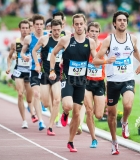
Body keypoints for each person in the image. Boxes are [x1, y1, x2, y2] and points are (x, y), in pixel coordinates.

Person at [93, 11, 140, 155]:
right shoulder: (108, 40)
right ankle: (114, 142)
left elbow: (135, 51)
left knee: (128, 104)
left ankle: (125, 122)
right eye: (119, 20)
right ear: (114, 23)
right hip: (112, 81)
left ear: (127, 23)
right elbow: (95, 60)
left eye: (124, 20)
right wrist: (106, 60)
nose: (122, 22)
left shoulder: (132, 38)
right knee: (111, 114)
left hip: (127, 79)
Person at [49, 13, 97, 152]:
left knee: (76, 114)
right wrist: (52, 70)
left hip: (81, 81)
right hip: (67, 79)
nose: (79, 26)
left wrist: (105, 61)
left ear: (85, 24)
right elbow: (53, 54)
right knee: (68, 105)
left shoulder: (90, 42)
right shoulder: (65, 40)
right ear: (73, 25)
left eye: (81, 24)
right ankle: (64, 113)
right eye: (76, 24)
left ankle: (70, 142)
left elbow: (96, 59)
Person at [77, 22, 106, 149]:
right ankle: (94, 139)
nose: (94, 33)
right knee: (89, 111)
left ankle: (87, 115)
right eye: (92, 31)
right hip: (86, 82)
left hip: (99, 82)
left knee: (98, 115)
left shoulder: (104, 47)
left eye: (96, 31)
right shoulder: (83, 46)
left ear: (99, 33)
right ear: (87, 32)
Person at [32, 19, 63, 136]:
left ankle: (50, 127)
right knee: (45, 103)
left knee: (56, 100)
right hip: (45, 74)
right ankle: (48, 112)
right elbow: (34, 51)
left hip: (57, 74)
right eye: (54, 30)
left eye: (58, 30)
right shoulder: (44, 39)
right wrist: (36, 64)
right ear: (50, 29)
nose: (56, 32)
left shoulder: (64, 41)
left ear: (61, 29)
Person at [6, 19, 38, 129]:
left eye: (26, 28)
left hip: (29, 71)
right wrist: (9, 66)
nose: (24, 30)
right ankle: (24, 120)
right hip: (19, 71)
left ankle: (32, 112)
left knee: (29, 99)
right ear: (20, 29)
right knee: (20, 93)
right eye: (22, 28)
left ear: (30, 29)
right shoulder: (15, 43)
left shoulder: (33, 41)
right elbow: (9, 56)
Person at [21, 14, 47, 131]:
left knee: (46, 100)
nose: (39, 26)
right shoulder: (29, 38)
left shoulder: (48, 36)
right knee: (36, 94)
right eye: (37, 24)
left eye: (41, 24)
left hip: (46, 70)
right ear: (33, 26)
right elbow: (22, 52)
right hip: (34, 69)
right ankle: (41, 121)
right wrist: (24, 56)